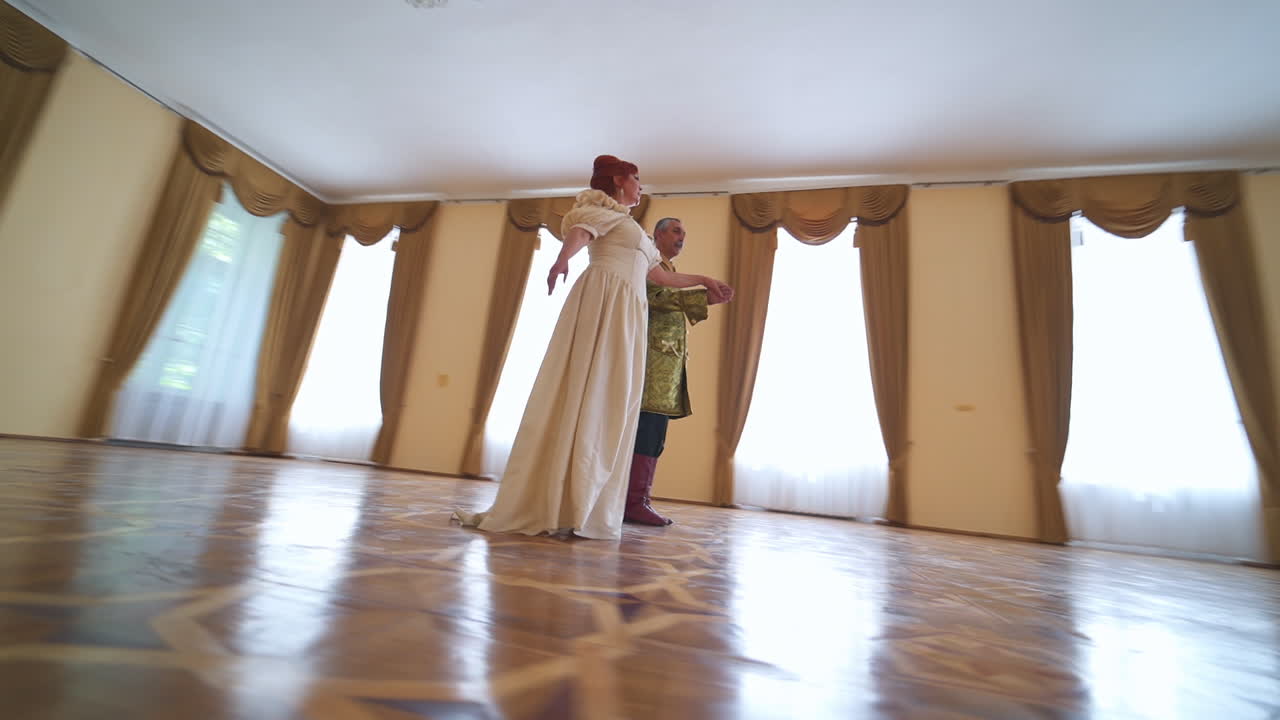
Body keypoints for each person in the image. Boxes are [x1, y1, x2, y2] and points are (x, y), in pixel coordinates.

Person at [454, 156, 733, 539]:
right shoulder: (602, 212)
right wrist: (561, 260)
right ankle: (563, 495)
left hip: (629, 312)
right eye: (636, 178)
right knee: (592, 385)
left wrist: (705, 279)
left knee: (616, 398)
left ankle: (590, 499)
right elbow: (582, 232)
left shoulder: (634, 229)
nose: (640, 185)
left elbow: (659, 276)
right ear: (619, 180)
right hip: (606, 301)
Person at [625, 217, 733, 526]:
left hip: (664, 368)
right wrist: (703, 292)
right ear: (657, 235)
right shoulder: (646, 262)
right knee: (647, 431)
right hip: (649, 366)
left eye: (684, 233)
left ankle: (639, 500)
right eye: (676, 231)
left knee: (655, 434)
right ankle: (632, 503)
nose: (682, 237)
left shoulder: (668, 268)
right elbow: (656, 296)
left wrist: (705, 298)